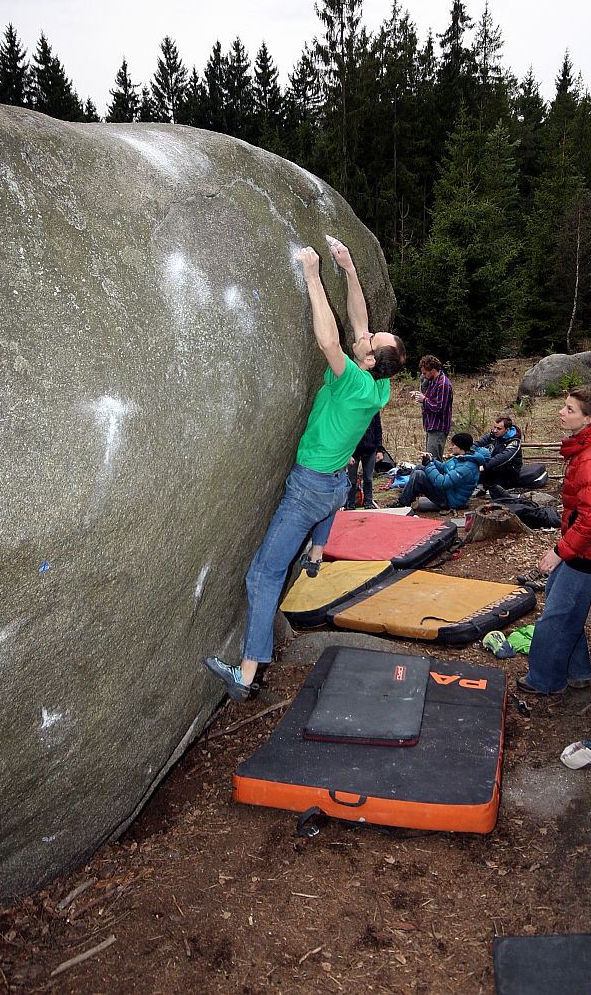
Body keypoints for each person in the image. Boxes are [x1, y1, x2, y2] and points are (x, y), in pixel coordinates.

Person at [204, 236, 406, 702]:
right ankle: (316, 552)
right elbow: (358, 322)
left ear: (369, 359)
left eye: (372, 340)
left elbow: (329, 338)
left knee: (261, 574)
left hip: (312, 488)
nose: (367, 332)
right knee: (322, 510)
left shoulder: (354, 381)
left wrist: (313, 275)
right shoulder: (379, 387)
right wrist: (350, 268)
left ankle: (248, 675)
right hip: (335, 488)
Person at [517, 386, 591, 696]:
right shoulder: (586, 448)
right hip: (583, 547)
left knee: (558, 616)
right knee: (562, 603)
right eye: (564, 407)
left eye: (570, 410)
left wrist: (559, 552)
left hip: (588, 552)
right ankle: (577, 671)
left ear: (588, 419)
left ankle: (545, 680)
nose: (561, 413)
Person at [390, 433, 490, 510]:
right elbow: (444, 467)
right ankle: (406, 497)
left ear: (459, 447)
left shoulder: (467, 467)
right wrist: (432, 459)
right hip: (449, 493)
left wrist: (429, 465)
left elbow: (442, 483)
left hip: (451, 500)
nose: (450, 447)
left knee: (419, 474)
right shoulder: (462, 457)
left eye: (453, 445)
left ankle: (403, 503)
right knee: (419, 467)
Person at [410, 355, 453, 459]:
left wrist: (423, 400)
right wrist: (419, 395)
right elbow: (430, 398)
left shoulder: (443, 385)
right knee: (429, 458)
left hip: (438, 427)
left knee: (434, 460)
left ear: (433, 370)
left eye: (425, 373)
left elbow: (439, 407)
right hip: (430, 425)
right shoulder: (432, 382)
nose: (423, 376)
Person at [345, 412, 384, 509]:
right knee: (352, 479)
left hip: (370, 449)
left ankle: (368, 502)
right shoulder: (352, 408)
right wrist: (347, 453)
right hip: (353, 450)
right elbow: (346, 431)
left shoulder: (374, 409)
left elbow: (378, 429)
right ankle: (350, 504)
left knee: (368, 478)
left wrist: (380, 449)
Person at [475, 415, 523, 491]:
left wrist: (484, 466)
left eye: (499, 428)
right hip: (492, 468)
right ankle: (480, 486)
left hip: (509, 473)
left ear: (507, 429)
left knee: (498, 464)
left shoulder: (514, 442)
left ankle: (492, 489)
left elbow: (504, 457)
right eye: (494, 427)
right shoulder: (493, 435)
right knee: (479, 458)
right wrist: (466, 451)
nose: (495, 430)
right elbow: (478, 443)